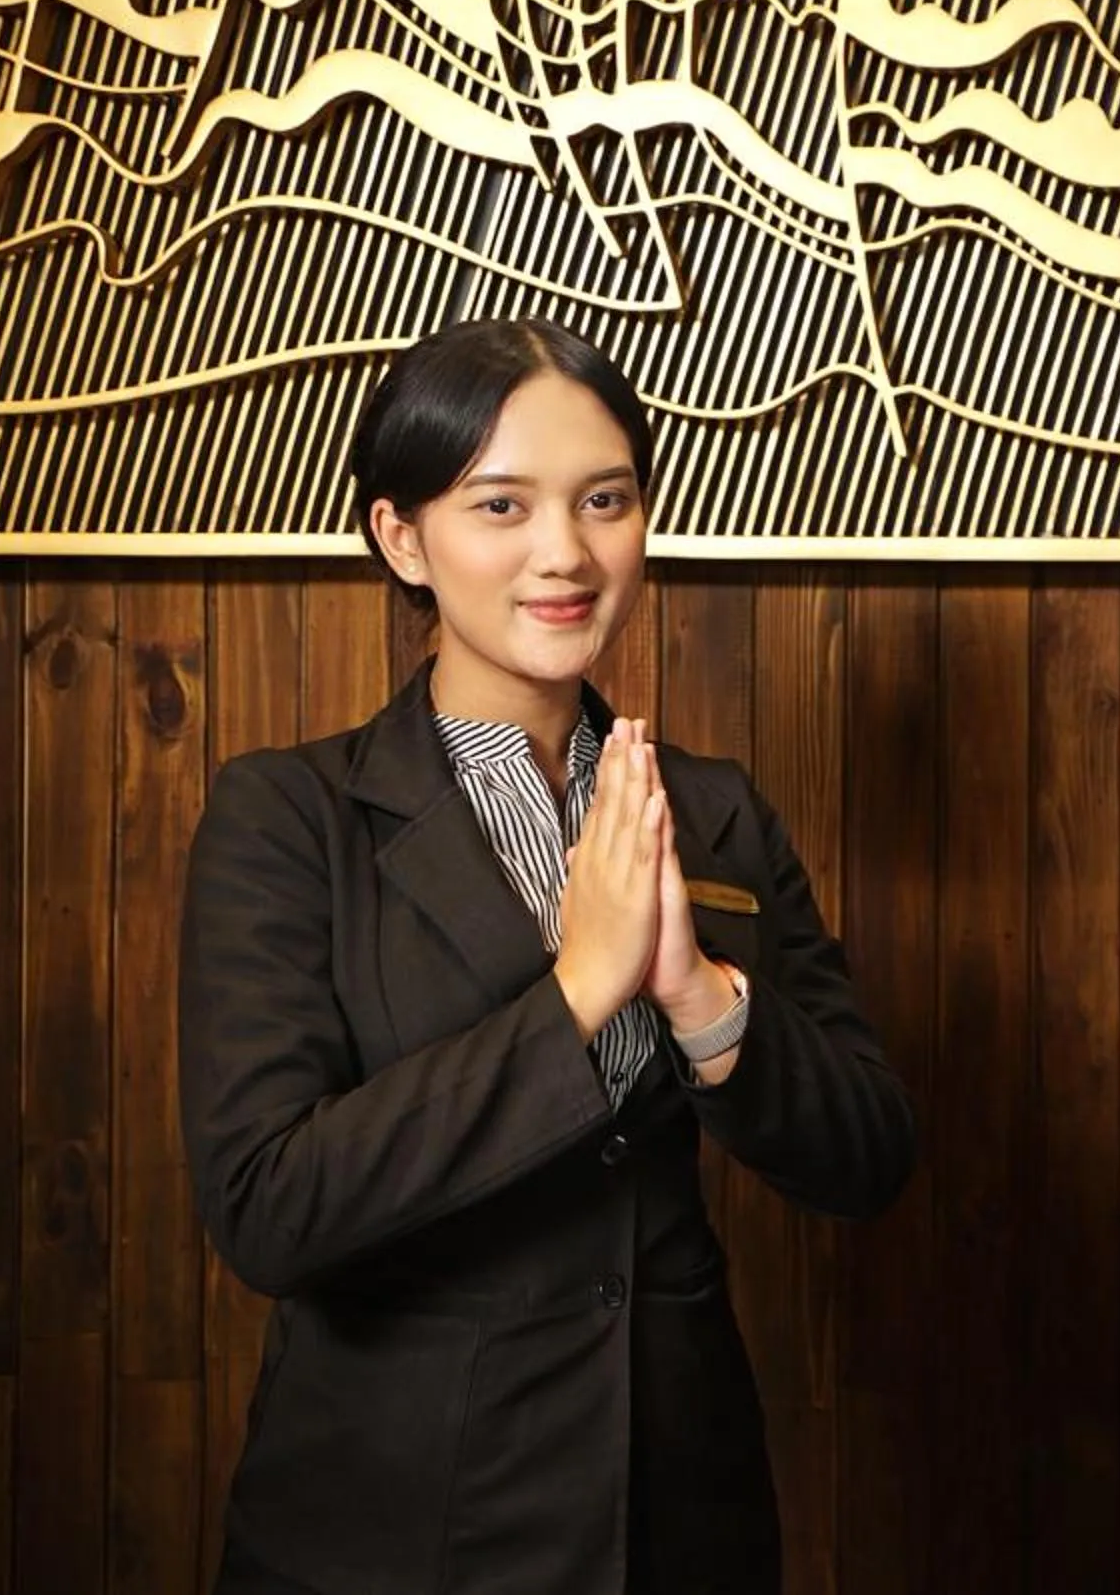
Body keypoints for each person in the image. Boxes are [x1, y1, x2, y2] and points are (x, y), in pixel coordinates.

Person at [181, 318, 915, 1595]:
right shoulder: (289, 816)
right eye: (501, 505)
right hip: (394, 1527)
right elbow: (270, 1206)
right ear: (402, 537)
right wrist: (580, 992)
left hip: (678, 1517)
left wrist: (701, 997)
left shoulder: (714, 809)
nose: (565, 554)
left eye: (605, 501)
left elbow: (867, 1156)